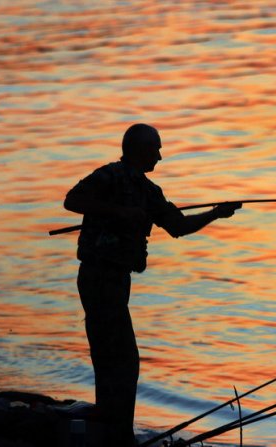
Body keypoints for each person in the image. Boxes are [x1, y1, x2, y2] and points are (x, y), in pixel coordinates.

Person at [64, 123, 240, 447]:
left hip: (118, 279)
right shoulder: (109, 176)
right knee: (120, 356)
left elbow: (179, 226)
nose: (160, 156)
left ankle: (114, 426)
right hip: (98, 274)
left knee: (113, 353)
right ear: (138, 150)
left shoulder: (149, 192)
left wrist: (216, 213)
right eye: (155, 149)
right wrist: (118, 211)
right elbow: (72, 200)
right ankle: (117, 431)